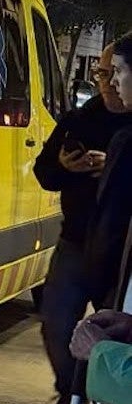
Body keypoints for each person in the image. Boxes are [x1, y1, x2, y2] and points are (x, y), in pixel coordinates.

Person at [35, 41, 132, 404]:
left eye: (116, 73)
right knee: (57, 324)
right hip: (77, 243)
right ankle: (71, 389)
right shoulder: (80, 119)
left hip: (122, 251)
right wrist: (64, 166)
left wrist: (114, 168)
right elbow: (44, 173)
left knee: (116, 335)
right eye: (102, 74)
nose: (108, 83)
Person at [86, 33, 132, 314]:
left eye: (118, 71)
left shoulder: (126, 143)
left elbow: (111, 225)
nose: (113, 83)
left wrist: (102, 290)